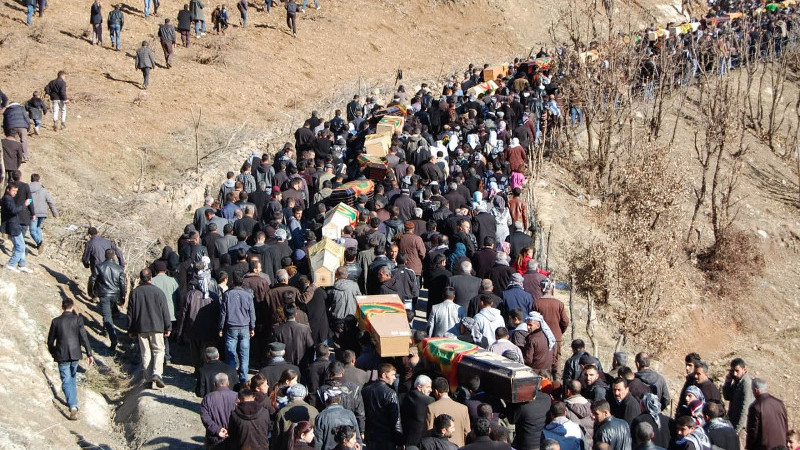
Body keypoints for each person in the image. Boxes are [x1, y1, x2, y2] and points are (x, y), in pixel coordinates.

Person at [47, 298, 94, 421]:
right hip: (75, 354)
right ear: (72, 307)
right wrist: (89, 353)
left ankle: (72, 405)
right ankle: (74, 403)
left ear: (62, 307)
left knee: (66, 380)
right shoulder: (78, 319)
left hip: (61, 354)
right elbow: (84, 337)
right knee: (72, 378)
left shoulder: (55, 321)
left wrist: (53, 352)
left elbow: (50, 341)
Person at [128, 268, 171, 388]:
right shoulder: (158, 292)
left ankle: (147, 378)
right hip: (157, 326)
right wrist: (168, 326)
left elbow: (130, 313)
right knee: (159, 350)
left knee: (145, 352)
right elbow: (165, 311)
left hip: (141, 327)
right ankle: (157, 374)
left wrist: (131, 329)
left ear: (140, 279)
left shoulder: (135, 293)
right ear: (151, 278)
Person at [218, 270, 255, 384]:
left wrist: (221, 327)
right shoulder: (248, 295)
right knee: (244, 354)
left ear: (232, 281)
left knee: (230, 353)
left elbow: (223, 313)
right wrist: (252, 327)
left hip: (231, 327)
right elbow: (252, 313)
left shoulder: (227, 295)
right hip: (244, 327)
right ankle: (243, 378)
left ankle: (232, 377)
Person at [362, 363, 402, 450]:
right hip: (386, 439)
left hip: (370, 437)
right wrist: (399, 440)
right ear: (384, 375)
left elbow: (362, 413)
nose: (394, 378)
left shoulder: (365, 390)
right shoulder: (390, 393)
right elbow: (396, 420)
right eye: (392, 375)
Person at [93, 248, 126, 350]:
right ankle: (107, 331)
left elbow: (92, 279)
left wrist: (92, 292)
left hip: (104, 294)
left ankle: (113, 339)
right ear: (114, 256)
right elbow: (122, 284)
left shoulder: (99, 266)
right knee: (108, 314)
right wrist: (123, 297)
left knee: (107, 315)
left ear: (105, 256)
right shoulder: (119, 268)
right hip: (115, 294)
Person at [426, 377, 470, 447]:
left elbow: (429, 432)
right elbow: (467, 433)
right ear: (448, 389)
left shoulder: (431, 408)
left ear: (436, 391)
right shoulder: (463, 408)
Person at [82, 226, 125, 297]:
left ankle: (95, 297)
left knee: (96, 282)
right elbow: (118, 252)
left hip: (97, 267)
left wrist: (86, 264)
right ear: (97, 233)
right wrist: (121, 264)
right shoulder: (107, 241)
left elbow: (85, 258)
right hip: (110, 266)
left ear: (89, 235)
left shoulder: (90, 243)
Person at [746, 378, 788, 450]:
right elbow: (785, 425)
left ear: (756, 390)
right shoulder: (779, 403)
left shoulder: (756, 407)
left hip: (764, 447)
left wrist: (749, 447)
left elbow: (753, 431)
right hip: (781, 446)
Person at [1, 182, 34, 273]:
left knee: (21, 245)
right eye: (13, 191)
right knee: (20, 247)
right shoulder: (7, 199)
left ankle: (22, 265)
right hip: (12, 226)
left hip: (14, 225)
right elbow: (13, 210)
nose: (15, 193)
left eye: (16, 191)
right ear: (8, 190)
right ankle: (11, 264)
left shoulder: (9, 198)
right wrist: (25, 204)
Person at [200, 372, 238, 448]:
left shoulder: (208, 398)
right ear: (228, 383)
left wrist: (217, 430)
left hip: (214, 439)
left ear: (215, 384)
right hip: (233, 438)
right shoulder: (237, 397)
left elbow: (205, 417)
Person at [401, 375, 434, 447]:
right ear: (419, 387)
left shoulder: (404, 397)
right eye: (428, 387)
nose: (431, 390)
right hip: (422, 440)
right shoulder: (429, 401)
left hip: (408, 439)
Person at [722, 357, 753, 434]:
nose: (734, 374)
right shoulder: (737, 381)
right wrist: (727, 383)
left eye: (737, 371)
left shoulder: (746, 384)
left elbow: (745, 408)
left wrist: (737, 429)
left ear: (744, 370)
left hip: (741, 427)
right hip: (733, 422)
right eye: (732, 371)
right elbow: (727, 397)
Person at [29, 173, 58, 251]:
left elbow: (28, 200)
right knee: (38, 227)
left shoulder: (28, 189)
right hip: (43, 213)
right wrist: (55, 213)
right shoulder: (44, 190)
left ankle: (40, 242)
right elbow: (50, 202)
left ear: (31, 179)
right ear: (39, 180)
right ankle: (39, 244)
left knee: (32, 230)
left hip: (33, 212)